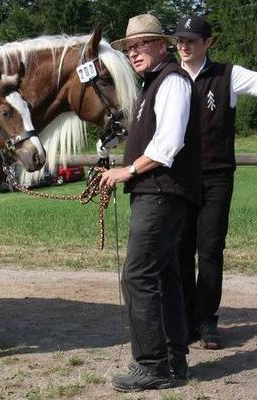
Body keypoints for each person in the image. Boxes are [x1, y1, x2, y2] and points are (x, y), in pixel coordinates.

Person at [100, 14, 202, 392]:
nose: (135, 52)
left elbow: (168, 145)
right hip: (159, 193)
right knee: (164, 277)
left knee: (137, 275)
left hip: (161, 192)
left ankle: (151, 365)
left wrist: (126, 171)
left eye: (143, 44)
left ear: (163, 45)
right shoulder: (153, 86)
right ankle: (174, 362)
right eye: (130, 47)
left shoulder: (172, 81)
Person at [173, 15, 257, 349]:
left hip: (216, 177)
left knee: (210, 250)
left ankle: (206, 319)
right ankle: (186, 317)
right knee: (180, 248)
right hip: (178, 178)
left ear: (209, 42)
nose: (184, 45)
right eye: (180, 39)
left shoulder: (228, 75)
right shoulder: (169, 77)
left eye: (192, 40)